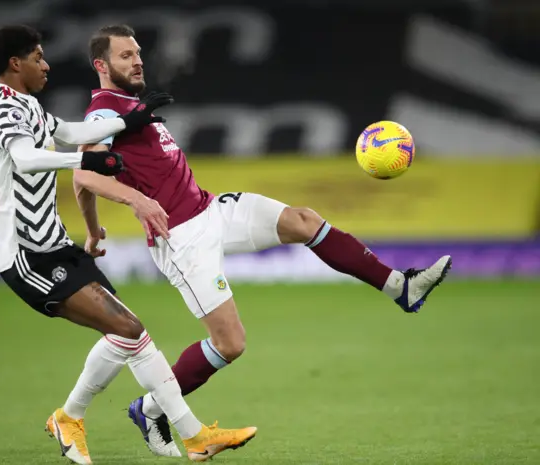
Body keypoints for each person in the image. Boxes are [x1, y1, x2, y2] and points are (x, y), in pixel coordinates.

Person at [75, 24, 453, 457]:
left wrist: (91, 230)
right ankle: (152, 407)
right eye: (126, 56)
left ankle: (401, 287)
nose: (138, 60)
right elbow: (83, 174)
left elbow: (86, 185)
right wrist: (138, 202)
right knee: (230, 343)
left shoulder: (130, 106)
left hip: (211, 209)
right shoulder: (103, 113)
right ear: (101, 66)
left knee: (303, 221)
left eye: (138, 52)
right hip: (179, 238)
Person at [0, 25, 257, 465]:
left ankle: (69, 418)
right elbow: (25, 158)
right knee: (131, 332)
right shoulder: (1, 111)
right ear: (16, 64)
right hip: (26, 254)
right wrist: (87, 159)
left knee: (122, 333)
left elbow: (71, 130)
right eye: (38, 57)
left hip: (56, 244)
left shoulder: (29, 107)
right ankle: (195, 435)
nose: (46, 64)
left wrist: (130, 119)